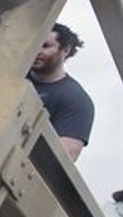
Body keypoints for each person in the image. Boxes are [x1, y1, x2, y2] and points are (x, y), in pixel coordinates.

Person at [28, 23, 95, 161]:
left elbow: (64, 157)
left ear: (65, 50)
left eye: (45, 46)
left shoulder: (75, 99)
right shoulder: (12, 76)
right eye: (35, 44)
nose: (37, 50)